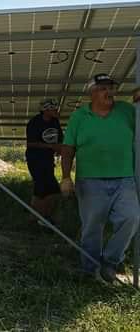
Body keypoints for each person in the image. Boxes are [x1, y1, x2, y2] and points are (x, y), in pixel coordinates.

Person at [61, 73, 140, 283]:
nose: (110, 92)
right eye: (103, 88)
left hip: (124, 178)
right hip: (90, 180)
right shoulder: (79, 116)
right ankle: (89, 270)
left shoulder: (127, 111)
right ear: (92, 92)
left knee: (131, 218)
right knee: (92, 226)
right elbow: (68, 148)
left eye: (111, 88)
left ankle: (110, 263)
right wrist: (66, 177)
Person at [25, 98, 63, 226]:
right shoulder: (34, 123)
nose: (56, 111)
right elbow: (30, 143)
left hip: (48, 159)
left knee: (40, 189)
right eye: (53, 108)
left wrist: (59, 148)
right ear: (45, 110)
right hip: (35, 159)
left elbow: (59, 139)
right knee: (52, 190)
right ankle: (44, 217)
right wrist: (51, 147)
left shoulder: (55, 122)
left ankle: (33, 219)